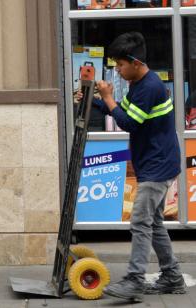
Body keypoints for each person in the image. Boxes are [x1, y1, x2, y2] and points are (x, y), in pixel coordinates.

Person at [78, 31, 185, 302]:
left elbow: (129, 123)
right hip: (156, 162)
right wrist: (95, 100)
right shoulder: (139, 85)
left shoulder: (150, 87)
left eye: (120, 64)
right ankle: (172, 276)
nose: (117, 69)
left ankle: (135, 279)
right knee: (154, 222)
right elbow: (121, 111)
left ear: (135, 62)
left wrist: (109, 98)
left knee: (139, 221)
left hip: (158, 166)